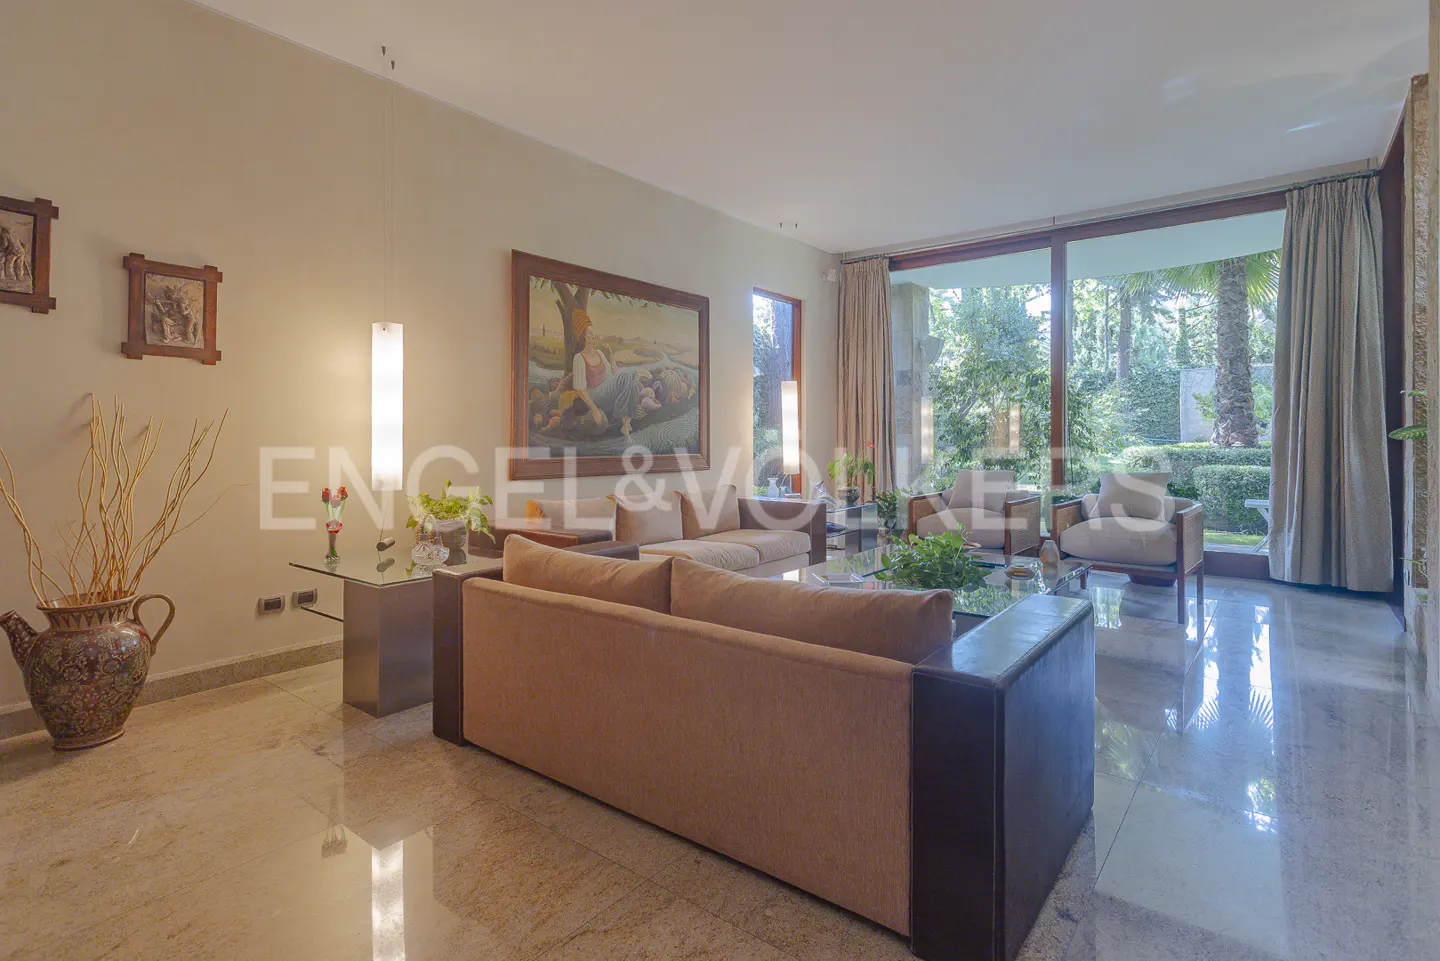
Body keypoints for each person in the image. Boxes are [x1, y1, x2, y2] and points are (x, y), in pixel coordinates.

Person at [569, 308, 643, 441]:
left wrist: (610, 355)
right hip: (593, 393)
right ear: (583, 336)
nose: (594, 335)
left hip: (604, 389)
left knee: (628, 380)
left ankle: (625, 424)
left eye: (593, 332)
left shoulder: (599, 353)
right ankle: (621, 419)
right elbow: (580, 389)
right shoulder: (579, 358)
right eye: (590, 333)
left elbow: (613, 374)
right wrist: (594, 409)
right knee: (625, 376)